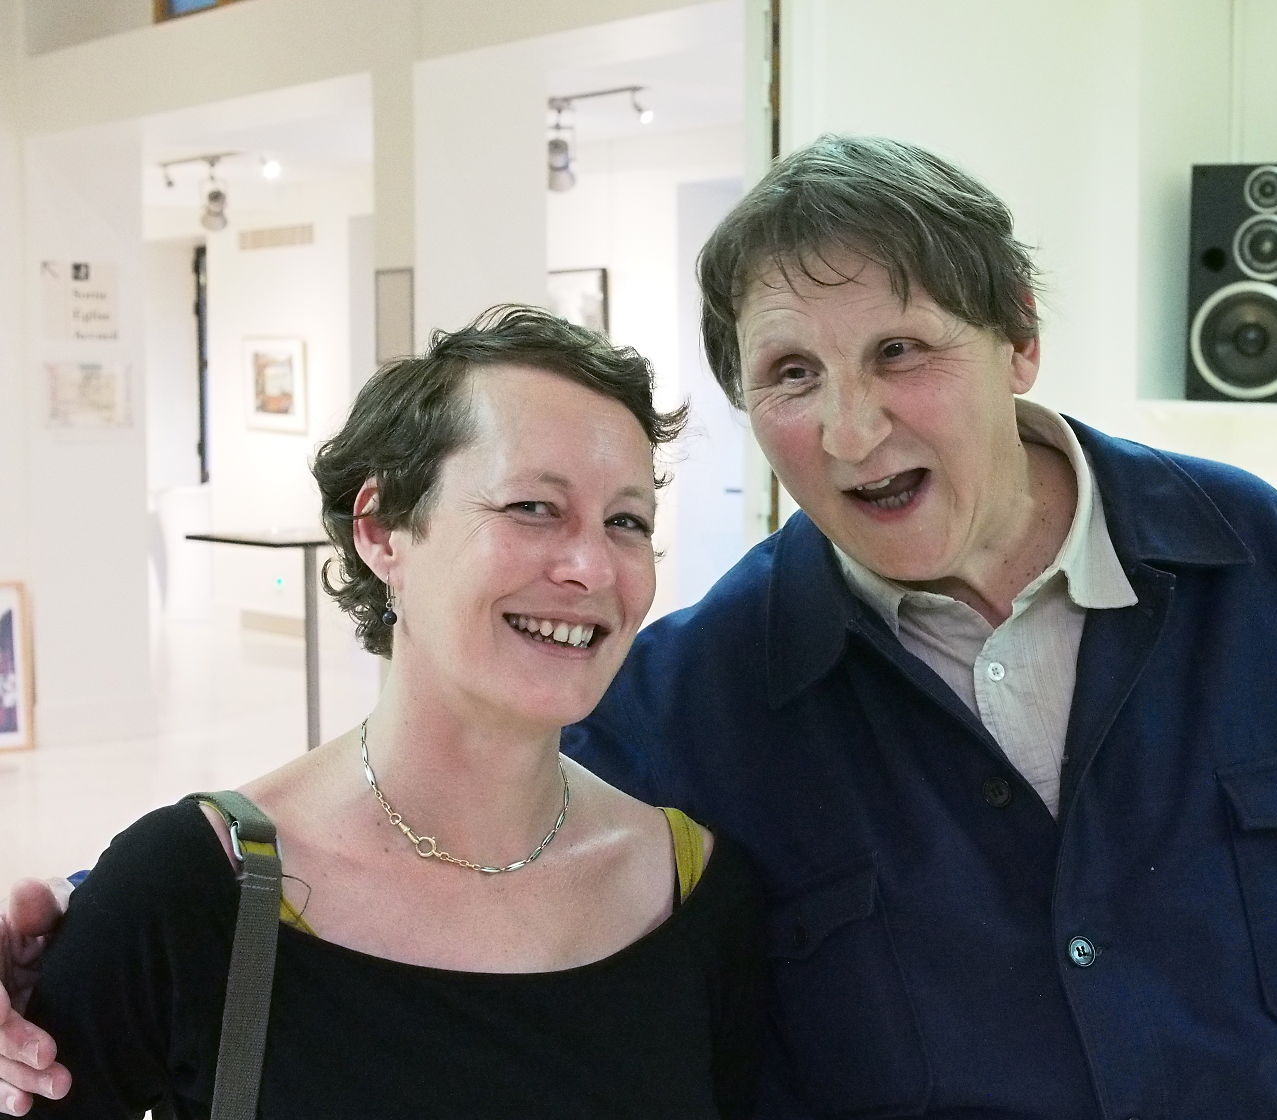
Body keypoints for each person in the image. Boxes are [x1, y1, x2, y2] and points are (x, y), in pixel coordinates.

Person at [5, 134, 1277, 1117]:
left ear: (1017, 343)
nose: (853, 426)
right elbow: (434, 821)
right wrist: (81, 933)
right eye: (793, 376)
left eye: (903, 351)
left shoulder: (1251, 560)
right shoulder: (703, 689)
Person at [0, 305, 766, 1118]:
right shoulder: (192, 891)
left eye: (626, 522)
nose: (592, 567)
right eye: (533, 508)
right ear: (382, 529)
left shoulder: (693, 893)